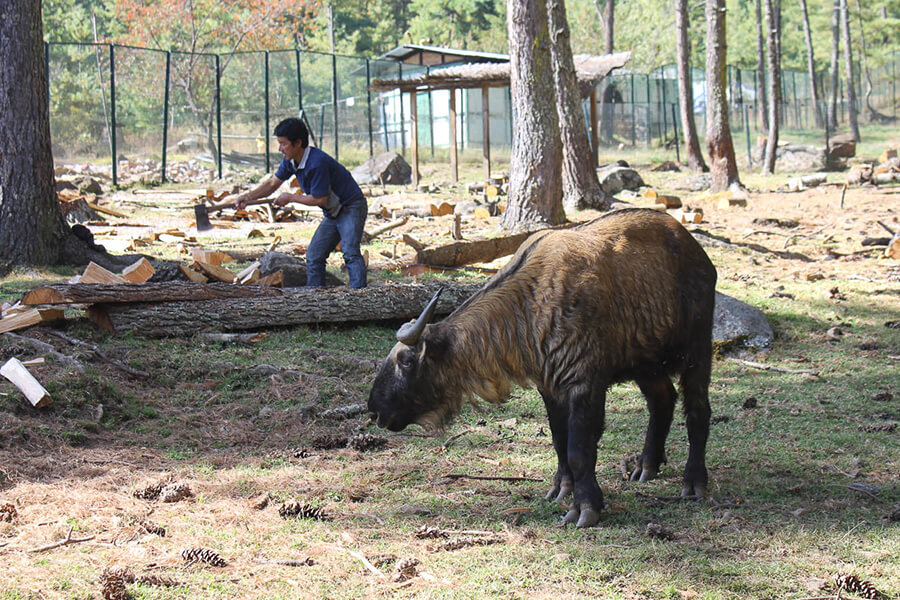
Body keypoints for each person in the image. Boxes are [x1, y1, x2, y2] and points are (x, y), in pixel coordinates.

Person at [231, 118, 368, 288]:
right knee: (314, 256)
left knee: (350, 252)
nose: (280, 149)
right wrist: (248, 197)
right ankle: (312, 298)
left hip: (351, 207)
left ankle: (359, 296)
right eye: (279, 144)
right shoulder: (290, 161)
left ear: (298, 143)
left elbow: (319, 199)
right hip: (333, 212)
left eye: (283, 144)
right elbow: (273, 183)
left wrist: (290, 197)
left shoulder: (316, 163)